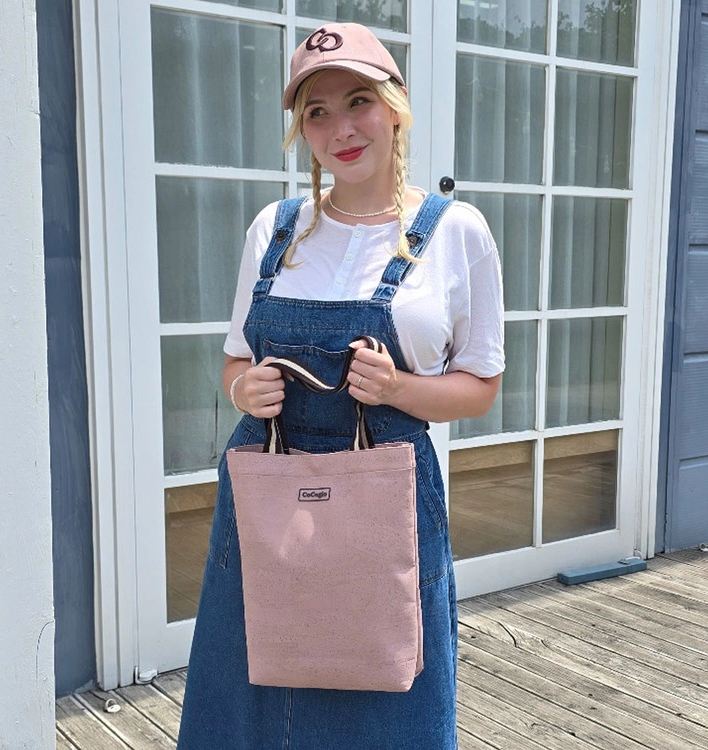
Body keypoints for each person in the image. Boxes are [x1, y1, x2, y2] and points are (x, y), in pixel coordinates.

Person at [177, 22, 504, 749]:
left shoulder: (456, 232)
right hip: (268, 490)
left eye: (358, 101)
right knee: (249, 690)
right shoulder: (276, 229)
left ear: (396, 107)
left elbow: (481, 384)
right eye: (317, 112)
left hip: (385, 490)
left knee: (383, 684)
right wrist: (243, 391)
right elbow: (235, 361)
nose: (341, 130)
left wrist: (398, 390)